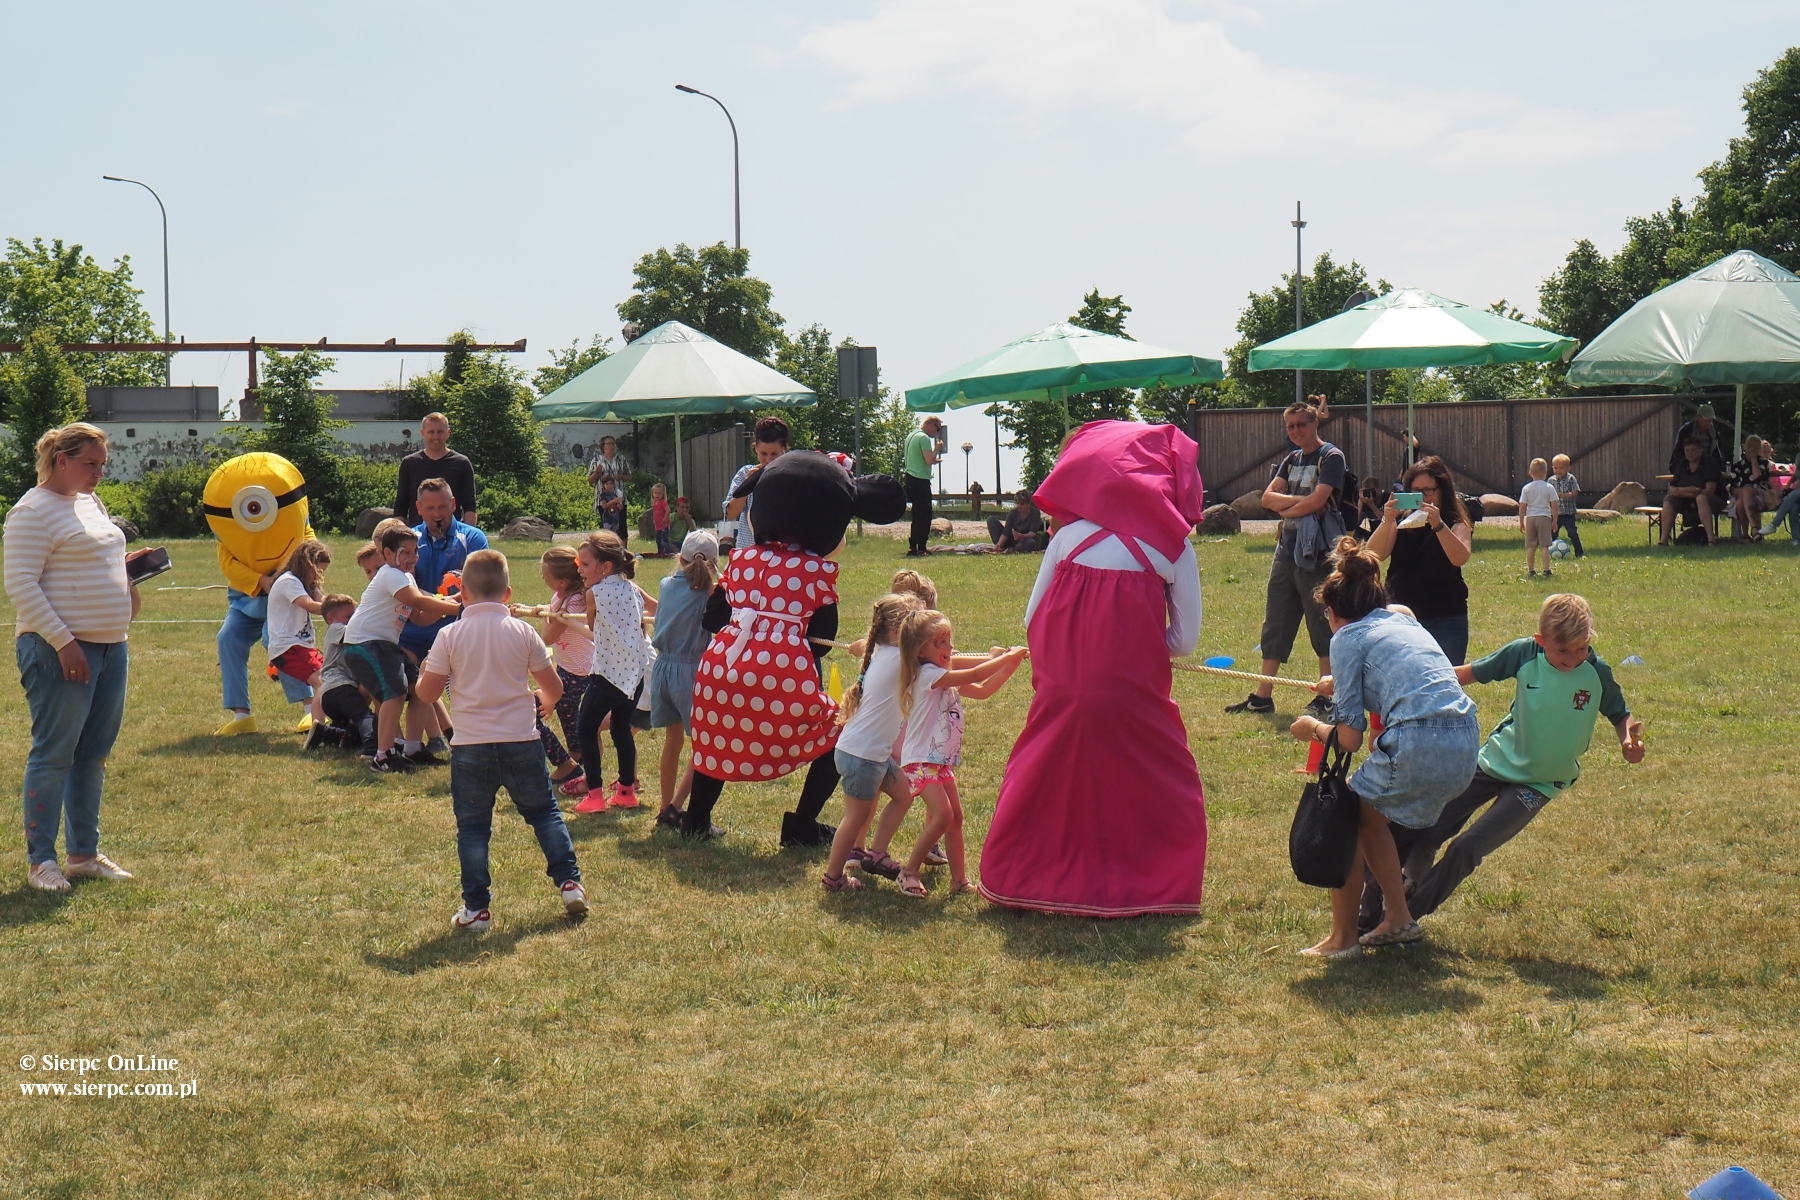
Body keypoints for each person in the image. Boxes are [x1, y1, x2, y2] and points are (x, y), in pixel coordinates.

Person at [980, 420, 1208, 917]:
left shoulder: (1067, 538)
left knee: (1044, 780)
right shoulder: (1174, 545)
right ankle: (1153, 888)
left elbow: (1031, 618)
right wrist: (1136, 645)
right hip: (1135, 693)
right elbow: (1185, 641)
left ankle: (1026, 883)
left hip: (1062, 691)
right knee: (1164, 784)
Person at [682, 451, 907, 844]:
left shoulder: (742, 558)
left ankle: (696, 817)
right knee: (838, 731)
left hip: (718, 674)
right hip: (778, 678)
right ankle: (802, 823)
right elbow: (821, 641)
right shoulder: (817, 571)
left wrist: (749, 628)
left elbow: (712, 619)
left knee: (716, 736)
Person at [1384, 593, 1645, 930]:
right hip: (1494, 762)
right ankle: (1396, 892)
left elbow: (1621, 715)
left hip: (1539, 783)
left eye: (1581, 648)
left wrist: (1628, 741)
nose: (1572, 658)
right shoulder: (1524, 653)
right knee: (1428, 826)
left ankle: (1404, 918)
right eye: (1562, 651)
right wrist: (1400, 680)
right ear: (1541, 641)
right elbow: (1464, 674)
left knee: (1467, 847)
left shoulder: (1596, 673)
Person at [1288, 537, 1481, 957]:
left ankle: (1343, 941)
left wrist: (1314, 728)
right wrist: (1342, 683)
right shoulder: (1404, 618)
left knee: (1343, 818)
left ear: (1333, 613)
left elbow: (1349, 739)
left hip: (1419, 742)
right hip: (1465, 741)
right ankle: (1397, 917)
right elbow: (1396, 667)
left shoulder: (1345, 638)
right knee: (1368, 820)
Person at [6, 423, 152, 892]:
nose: (98, 473)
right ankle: (40, 862)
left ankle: (83, 855)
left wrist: (127, 572)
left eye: (102, 464)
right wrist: (63, 642)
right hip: (58, 651)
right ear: (60, 460)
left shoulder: (90, 503)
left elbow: (98, 556)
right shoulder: (30, 512)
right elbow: (22, 585)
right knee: (54, 754)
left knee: (93, 754)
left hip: (112, 646)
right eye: (90, 463)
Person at [415, 549, 587, 932]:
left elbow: (426, 696)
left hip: (471, 745)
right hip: (521, 741)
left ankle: (476, 909)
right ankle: (570, 883)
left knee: (474, 828)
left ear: (462, 593)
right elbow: (553, 686)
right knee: (544, 814)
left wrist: (426, 669)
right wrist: (543, 703)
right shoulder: (522, 631)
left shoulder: (450, 635)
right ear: (508, 594)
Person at [890, 609, 1027, 898]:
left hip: (939, 761)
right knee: (942, 816)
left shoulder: (942, 674)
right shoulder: (928, 674)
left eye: (949, 640)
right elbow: (977, 673)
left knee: (956, 818)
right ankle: (909, 871)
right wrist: (1003, 657)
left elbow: (982, 689)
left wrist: (1009, 665)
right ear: (920, 650)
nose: (949, 648)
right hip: (920, 760)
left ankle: (959, 880)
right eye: (940, 642)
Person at [1227, 400, 1344, 715]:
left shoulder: (1331, 457)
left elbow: (1321, 501)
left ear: (1314, 423)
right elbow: (1267, 499)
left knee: (1322, 623)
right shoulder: (1290, 459)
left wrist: (1290, 504)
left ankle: (1327, 695)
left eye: (1301, 425)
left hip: (1318, 553)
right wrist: (1301, 502)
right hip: (1286, 551)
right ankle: (1263, 697)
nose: (1296, 431)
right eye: (1290, 426)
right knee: (1276, 621)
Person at [818, 595, 931, 892]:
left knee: (905, 794)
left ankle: (876, 854)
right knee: (856, 817)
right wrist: (998, 658)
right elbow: (946, 667)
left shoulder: (882, 649)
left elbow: (862, 645)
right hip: (862, 757)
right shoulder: (899, 659)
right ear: (896, 633)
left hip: (870, 754)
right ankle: (833, 878)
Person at [206, 452, 318, 736]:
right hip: (247, 596)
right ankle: (241, 713)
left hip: (286, 595)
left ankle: (311, 707)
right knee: (228, 638)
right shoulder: (227, 529)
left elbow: (307, 542)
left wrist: (284, 576)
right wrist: (261, 581)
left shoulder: (296, 521)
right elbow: (227, 561)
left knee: (278, 641)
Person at [343, 526, 462, 773]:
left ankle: (412, 749)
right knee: (395, 694)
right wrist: (462, 608)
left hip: (384, 645)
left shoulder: (405, 577)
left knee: (420, 690)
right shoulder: (390, 574)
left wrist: (460, 599)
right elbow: (418, 601)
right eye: (404, 551)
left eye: (415, 550)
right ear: (387, 553)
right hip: (364, 643)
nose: (412, 556)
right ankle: (383, 756)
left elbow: (418, 616)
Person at [572, 532, 653, 812]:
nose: (579, 570)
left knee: (585, 727)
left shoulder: (594, 593)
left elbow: (593, 629)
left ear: (605, 567)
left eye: (584, 564)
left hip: (608, 675)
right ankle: (626, 791)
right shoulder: (632, 588)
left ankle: (594, 794)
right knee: (621, 729)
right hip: (636, 674)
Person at [1365, 457, 1473, 664]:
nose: (1423, 497)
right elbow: (1373, 554)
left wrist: (1438, 525)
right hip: (1402, 614)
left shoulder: (1455, 523)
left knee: (1444, 677)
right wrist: (1387, 520)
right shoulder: (1401, 521)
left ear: (1442, 490)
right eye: (1416, 491)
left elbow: (1459, 557)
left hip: (1445, 616)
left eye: (1428, 491)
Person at [647, 532, 720, 828]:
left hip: (662, 670)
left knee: (672, 741)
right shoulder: (712, 592)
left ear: (680, 558)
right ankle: (676, 807)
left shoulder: (666, 585)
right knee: (705, 747)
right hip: (691, 673)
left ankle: (665, 805)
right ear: (714, 563)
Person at [521, 546, 591, 796]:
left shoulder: (574, 602)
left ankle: (567, 763)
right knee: (566, 709)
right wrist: (544, 610)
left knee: (537, 709)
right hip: (569, 668)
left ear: (561, 581)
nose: (542, 578)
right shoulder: (563, 595)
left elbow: (547, 637)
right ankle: (575, 753)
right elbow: (554, 615)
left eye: (544, 576)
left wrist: (547, 617)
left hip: (580, 671)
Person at [267, 540, 333, 728]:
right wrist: (337, 611)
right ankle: (318, 727)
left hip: (301, 646)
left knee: (330, 678)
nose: (319, 576)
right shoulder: (289, 581)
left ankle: (329, 724)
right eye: (318, 571)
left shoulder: (306, 582)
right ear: (307, 564)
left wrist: (339, 603)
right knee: (322, 682)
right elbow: (311, 605)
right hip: (289, 647)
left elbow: (322, 599)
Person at [311, 594, 375, 753]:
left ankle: (328, 734)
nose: (353, 620)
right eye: (349, 616)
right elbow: (358, 635)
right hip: (338, 688)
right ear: (331, 618)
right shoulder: (335, 629)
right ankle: (372, 745)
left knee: (354, 729)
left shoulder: (341, 627)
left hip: (338, 692)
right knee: (363, 715)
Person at [722, 418, 791, 554]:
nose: (768, 460)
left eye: (774, 454)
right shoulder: (745, 473)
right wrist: (748, 484)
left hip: (781, 553)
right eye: (763, 454)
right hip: (749, 552)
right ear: (755, 449)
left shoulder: (791, 476)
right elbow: (730, 514)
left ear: (784, 450)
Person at [395, 412, 478, 525]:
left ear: (448, 433)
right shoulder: (409, 463)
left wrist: (468, 537)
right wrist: (399, 537)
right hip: (417, 536)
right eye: (431, 432)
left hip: (452, 535)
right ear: (422, 433)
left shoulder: (461, 463)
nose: (435, 437)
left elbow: (469, 506)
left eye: (440, 432)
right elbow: (401, 505)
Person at [1660, 437, 1725, 546]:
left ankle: (1711, 539)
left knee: (1701, 498)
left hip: (1713, 500)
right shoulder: (1682, 464)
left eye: (1693, 450)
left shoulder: (1709, 462)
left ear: (1700, 450)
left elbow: (1709, 489)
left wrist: (1683, 491)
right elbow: (1672, 488)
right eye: (1687, 450)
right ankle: (1663, 540)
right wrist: (1691, 490)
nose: (1690, 453)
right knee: (1668, 499)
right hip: (1686, 499)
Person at [903, 416, 943, 556]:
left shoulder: (911, 435)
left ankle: (912, 546)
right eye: (937, 429)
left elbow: (919, 458)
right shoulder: (924, 438)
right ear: (932, 425)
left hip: (910, 478)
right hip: (921, 480)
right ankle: (922, 547)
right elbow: (929, 459)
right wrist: (937, 448)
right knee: (925, 515)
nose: (936, 434)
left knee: (916, 515)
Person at [1519, 458, 1559, 577]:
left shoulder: (1526, 488)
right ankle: (1546, 569)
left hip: (1530, 517)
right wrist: (1555, 520)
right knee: (1544, 545)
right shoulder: (1549, 487)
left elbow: (1522, 506)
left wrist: (1521, 521)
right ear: (1545, 473)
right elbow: (1554, 505)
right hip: (1544, 517)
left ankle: (1531, 570)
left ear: (1530, 473)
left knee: (1531, 546)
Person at [1728, 435, 1773, 542]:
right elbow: (1733, 487)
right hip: (1742, 498)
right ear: (1745, 447)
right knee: (1741, 499)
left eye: (1755, 447)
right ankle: (1749, 534)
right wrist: (1741, 491)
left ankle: (1753, 529)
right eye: (1750, 446)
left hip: (1759, 495)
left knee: (1747, 490)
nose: (1752, 449)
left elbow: (1759, 479)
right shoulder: (1738, 466)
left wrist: (1753, 460)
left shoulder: (1763, 463)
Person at [1669, 402, 1727, 475]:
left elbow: (1717, 455)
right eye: (1706, 419)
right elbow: (1678, 452)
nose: (1708, 422)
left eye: (1711, 419)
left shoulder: (1714, 433)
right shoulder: (1686, 430)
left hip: (1706, 465)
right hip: (1686, 465)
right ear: (1698, 417)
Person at [587, 434, 630, 527]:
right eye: (609, 443)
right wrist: (596, 473)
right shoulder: (596, 460)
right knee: (607, 527)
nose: (612, 446)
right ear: (603, 446)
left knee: (622, 528)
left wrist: (621, 476)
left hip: (619, 499)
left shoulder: (621, 459)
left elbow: (630, 477)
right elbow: (590, 481)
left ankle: (621, 542)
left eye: (613, 443)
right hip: (603, 500)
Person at [1550, 454, 1585, 558]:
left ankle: (1579, 553)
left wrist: (1566, 495)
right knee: (1552, 534)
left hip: (1569, 513)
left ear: (1568, 468)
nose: (1558, 471)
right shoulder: (1551, 480)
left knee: (1572, 533)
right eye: (1555, 468)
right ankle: (1549, 551)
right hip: (1556, 514)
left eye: (1561, 468)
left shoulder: (1570, 478)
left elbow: (1576, 491)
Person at [595, 474, 627, 540]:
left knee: (615, 536)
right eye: (607, 484)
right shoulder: (603, 495)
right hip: (607, 520)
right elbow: (604, 506)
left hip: (615, 519)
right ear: (603, 485)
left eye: (611, 483)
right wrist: (614, 501)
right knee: (608, 536)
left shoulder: (615, 495)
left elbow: (619, 507)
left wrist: (620, 506)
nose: (609, 485)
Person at [649, 482, 674, 555]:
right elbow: (655, 512)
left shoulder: (663, 502)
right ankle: (660, 552)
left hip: (664, 524)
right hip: (658, 525)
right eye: (655, 493)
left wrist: (665, 518)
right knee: (658, 539)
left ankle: (667, 552)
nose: (657, 495)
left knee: (664, 539)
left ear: (663, 494)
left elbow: (668, 510)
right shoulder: (654, 503)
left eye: (659, 493)